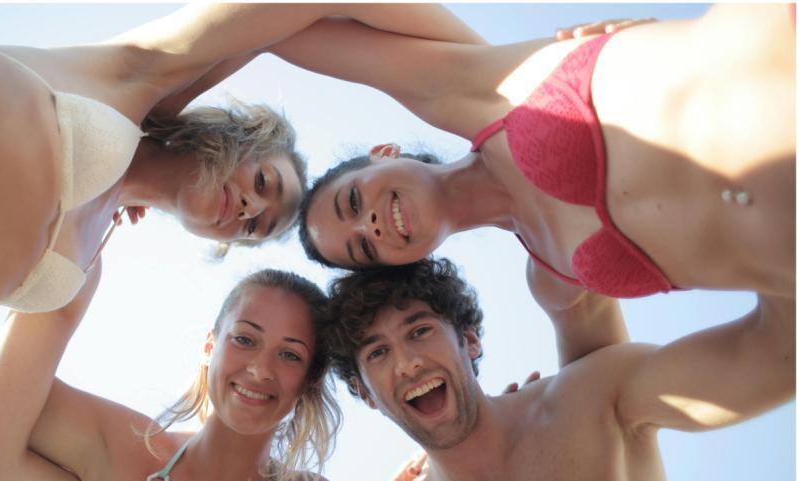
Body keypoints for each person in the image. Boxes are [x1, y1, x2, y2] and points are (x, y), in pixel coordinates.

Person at [0, 3, 486, 317]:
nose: (251, 206)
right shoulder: (143, 81)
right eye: (263, 180)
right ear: (236, 138)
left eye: (257, 225)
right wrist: (501, 91)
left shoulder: (87, 262)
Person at [271, 4, 795, 301]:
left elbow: (284, 21)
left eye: (352, 203)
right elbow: (599, 400)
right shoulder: (555, 285)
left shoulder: (469, 90)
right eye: (365, 248)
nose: (372, 227)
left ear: (383, 152)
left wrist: (185, 104)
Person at [324, 257, 794, 481]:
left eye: (420, 331)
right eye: (379, 353)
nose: (407, 363)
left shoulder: (592, 398)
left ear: (469, 341)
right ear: (366, 394)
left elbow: (777, 356)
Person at [0, 265, 391, 481]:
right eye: (244, 339)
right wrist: (61, 226)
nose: (261, 369)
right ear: (209, 346)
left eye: (290, 354)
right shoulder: (127, 450)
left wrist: (432, 474)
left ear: (310, 381)